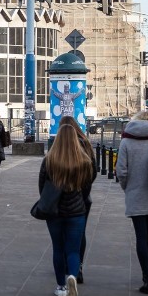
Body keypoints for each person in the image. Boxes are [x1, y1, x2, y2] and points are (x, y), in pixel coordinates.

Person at [115, 110, 148, 294]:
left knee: (140, 236)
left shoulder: (126, 141)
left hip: (135, 192)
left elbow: (121, 171)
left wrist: (126, 187)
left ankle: (146, 276)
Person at [38, 123, 94, 296]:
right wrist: (80, 201)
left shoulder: (49, 160)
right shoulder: (83, 160)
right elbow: (86, 187)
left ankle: (61, 286)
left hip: (55, 212)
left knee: (58, 248)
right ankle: (72, 276)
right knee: (73, 250)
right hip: (77, 212)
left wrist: (49, 201)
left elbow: (42, 186)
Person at [59, 115, 98, 284]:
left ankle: (65, 265)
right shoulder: (86, 144)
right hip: (82, 198)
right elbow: (93, 172)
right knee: (79, 234)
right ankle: (78, 266)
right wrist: (83, 189)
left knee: (62, 234)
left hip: (61, 199)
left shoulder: (60, 147)